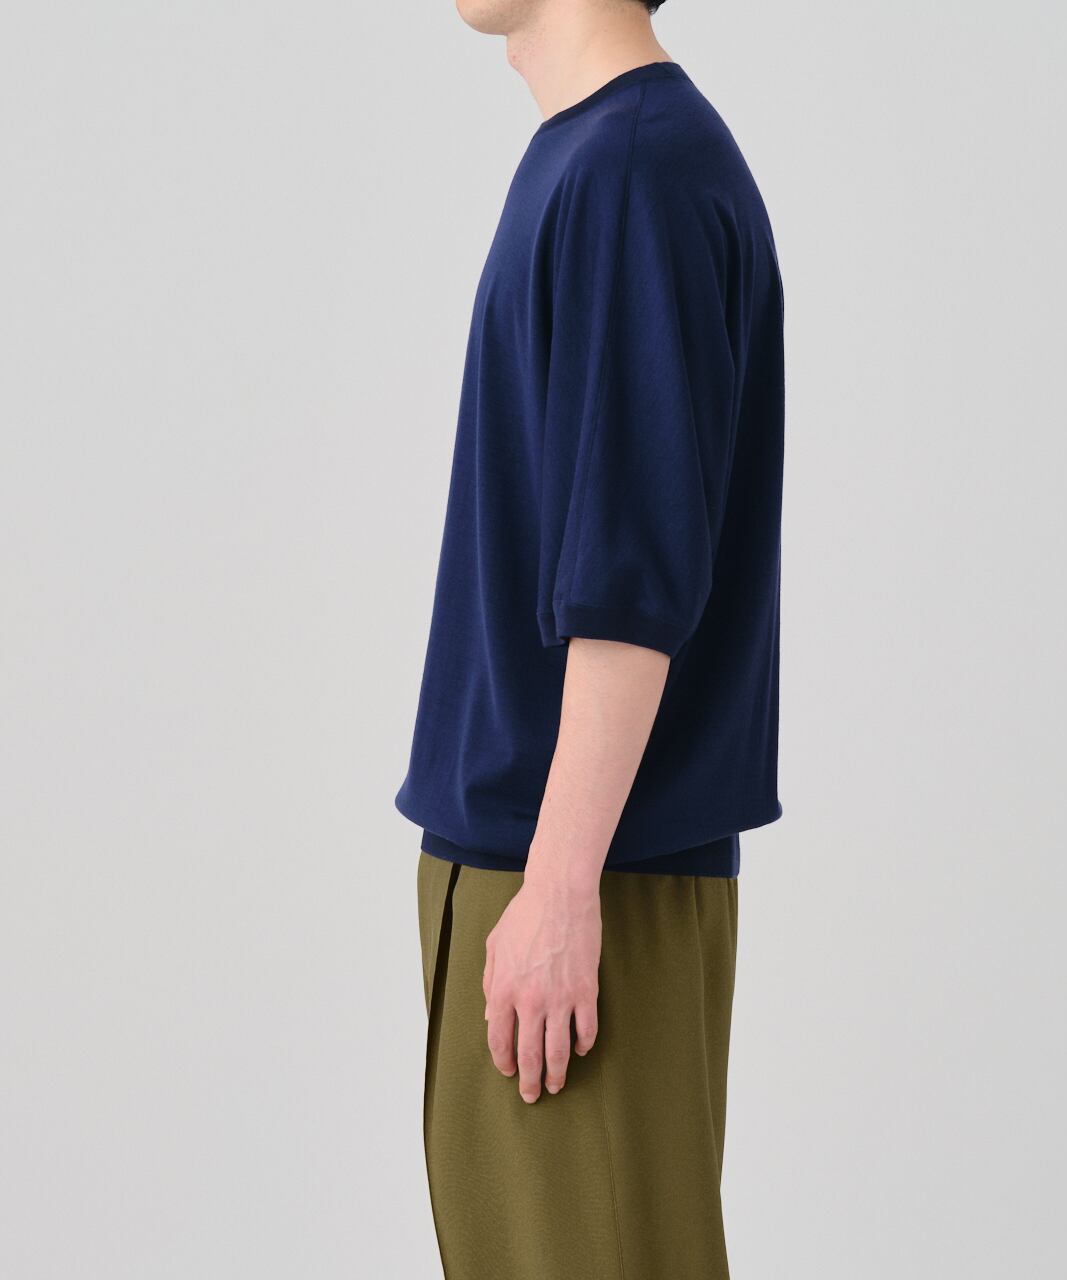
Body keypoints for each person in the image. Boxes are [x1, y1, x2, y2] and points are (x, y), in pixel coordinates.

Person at [395, 1, 784, 1274]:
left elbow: (630, 580)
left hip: (581, 877)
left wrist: (558, 888)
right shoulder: (594, 154)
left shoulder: (632, 168)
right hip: (535, 865)